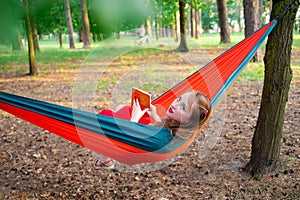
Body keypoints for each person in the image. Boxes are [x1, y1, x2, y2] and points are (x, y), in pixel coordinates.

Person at [94, 90, 211, 169]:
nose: (175, 105)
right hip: (144, 135)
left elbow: (129, 137)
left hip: (130, 145)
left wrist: (135, 117)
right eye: (179, 99)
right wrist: (155, 116)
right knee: (123, 108)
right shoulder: (181, 129)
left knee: (104, 117)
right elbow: (163, 128)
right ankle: (106, 159)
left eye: (183, 107)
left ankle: (105, 161)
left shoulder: (161, 138)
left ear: (189, 120)